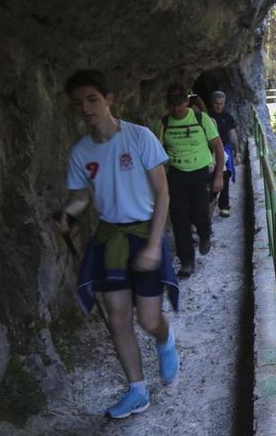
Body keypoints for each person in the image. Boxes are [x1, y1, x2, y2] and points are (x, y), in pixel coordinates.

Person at [56, 69, 180, 419]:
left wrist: (155, 244)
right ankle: (137, 390)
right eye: (78, 103)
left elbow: (162, 193)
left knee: (149, 319)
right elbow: (81, 196)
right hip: (110, 237)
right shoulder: (80, 152)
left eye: (92, 99)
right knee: (118, 317)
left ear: (109, 99)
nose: (86, 108)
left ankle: (164, 339)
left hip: (144, 233)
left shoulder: (140, 138)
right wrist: (68, 213)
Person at [155, 83, 224, 277]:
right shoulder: (163, 123)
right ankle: (187, 262)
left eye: (180, 104)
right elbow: (156, 154)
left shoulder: (201, 119)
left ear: (187, 101)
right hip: (176, 175)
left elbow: (218, 147)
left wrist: (218, 175)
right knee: (179, 219)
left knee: (200, 212)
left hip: (200, 173)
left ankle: (204, 233)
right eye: (172, 105)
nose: (177, 109)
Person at [208, 90, 241, 217]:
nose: (219, 106)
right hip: (210, 150)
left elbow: (233, 135)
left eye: (222, 104)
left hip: (225, 149)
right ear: (212, 103)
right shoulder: (207, 116)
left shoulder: (227, 117)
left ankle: (224, 206)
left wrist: (237, 153)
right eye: (216, 103)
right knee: (211, 175)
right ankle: (211, 200)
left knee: (225, 175)